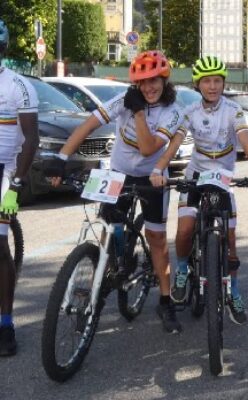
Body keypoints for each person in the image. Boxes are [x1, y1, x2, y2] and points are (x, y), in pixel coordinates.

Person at [46, 50, 186, 333]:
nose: (148, 87)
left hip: (152, 177)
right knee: (108, 228)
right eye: (143, 82)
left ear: (164, 79)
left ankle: (165, 299)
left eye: (154, 81)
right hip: (118, 171)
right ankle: (109, 268)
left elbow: (148, 148)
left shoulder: (173, 112)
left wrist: (137, 113)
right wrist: (61, 158)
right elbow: (89, 124)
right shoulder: (125, 100)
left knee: (156, 239)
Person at [150, 55, 248, 325]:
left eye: (217, 81)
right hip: (195, 176)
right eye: (207, 82)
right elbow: (174, 145)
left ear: (223, 83)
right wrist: (158, 169)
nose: (212, 86)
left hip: (223, 178)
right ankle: (181, 268)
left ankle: (234, 292)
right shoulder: (190, 112)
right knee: (184, 228)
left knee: (230, 236)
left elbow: (245, 142)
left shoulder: (233, 110)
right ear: (198, 85)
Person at [0, 19, 39, 356]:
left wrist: (15, 186)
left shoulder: (17, 86)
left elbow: (31, 140)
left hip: (5, 169)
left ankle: (6, 324)